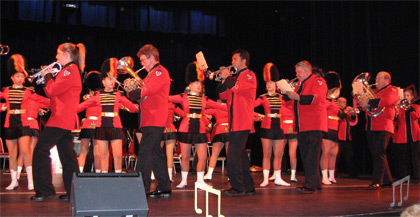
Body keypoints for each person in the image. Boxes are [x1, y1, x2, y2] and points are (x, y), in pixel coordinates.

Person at [31, 43, 86, 202]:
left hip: (60, 118)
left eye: (58, 54)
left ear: (66, 55)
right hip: (64, 118)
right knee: (68, 156)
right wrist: (48, 77)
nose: (56, 57)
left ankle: (45, 190)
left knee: (40, 150)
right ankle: (73, 192)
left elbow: (52, 91)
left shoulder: (69, 71)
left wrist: (47, 75)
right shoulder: (68, 71)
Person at [168, 61, 226, 189]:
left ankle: (200, 180)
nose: (199, 85)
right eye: (196, 82)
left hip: (200, 128)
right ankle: (183, 181)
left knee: (203, 156)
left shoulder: (205, 99)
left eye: (200, 82)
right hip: (185, 127)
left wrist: (236, 107)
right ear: (190, 83)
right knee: (186, 157)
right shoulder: (183, 96)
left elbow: (220, 106)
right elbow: (167, 98)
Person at [127, 44, 172, 198]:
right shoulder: (150, 74)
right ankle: (164, 185)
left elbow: (148, 90)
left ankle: (141, 187)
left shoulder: (159, 72)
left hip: (155, 118)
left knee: (144, 152)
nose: (142, 64)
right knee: (155, 153)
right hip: (150, 119)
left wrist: (135, 92)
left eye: (143, 60)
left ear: (152, 58)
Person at [78, 60, 138, 173]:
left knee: (118, 155)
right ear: (103, 81)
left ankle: (118, 175)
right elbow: (80, 107)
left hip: (115, 126)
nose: (112, 82)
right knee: (103, 155)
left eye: (113, 79)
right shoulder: (97, 95)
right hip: (101, 126)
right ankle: (104, 177)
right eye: (109, 79)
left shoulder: (118, 95)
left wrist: (134, 99)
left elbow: (132, 108)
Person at [1, 54, 49, 191]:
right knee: (11, 154)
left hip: (23, 123)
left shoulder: (27, 92)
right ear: (11, 77)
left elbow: (41, 100)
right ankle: (13, 181)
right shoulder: (6, 91)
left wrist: (55, 103)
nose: (20, 78)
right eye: (17, 76)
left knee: (25, 151)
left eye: (22, 76)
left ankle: (31, 181)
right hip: (10, 123)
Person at [282, 60, 328, 194]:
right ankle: (315, 183)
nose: (297, 75)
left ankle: (310, 185)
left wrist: (296, 96)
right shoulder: (299, 85)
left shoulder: (318, 81)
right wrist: (285, 89)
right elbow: (287, 100)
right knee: (307, 154)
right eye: (296, 72)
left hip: (313, 124)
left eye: (299, 72)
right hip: (302, 125)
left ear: (308, 71)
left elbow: (316, 98)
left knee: (311, 155)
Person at [219, 49, 256, 196]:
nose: (232, 62)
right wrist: (223, 80)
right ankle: (248, 187)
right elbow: (223, 95)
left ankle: (237, 187)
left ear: (243, 61)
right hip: (235, 121)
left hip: (242, 120)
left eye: (235, 59)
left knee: (233, 155)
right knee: (239, 155)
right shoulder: (236, 77)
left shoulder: (249, 75)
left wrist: (227, 77)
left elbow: (237, 88)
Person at [357, 71, 399, 190]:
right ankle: (387, 180)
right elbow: (364, 105)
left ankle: (377, 181)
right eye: (376, 78)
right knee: (377, 154)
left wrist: (368, 102)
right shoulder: (374, 92)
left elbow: (388, 101)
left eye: (379, 79)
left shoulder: (392, 89)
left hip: (384, 126)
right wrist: (361, 101)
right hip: (371, 126)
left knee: (379, 153)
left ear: (387, 80)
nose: (376, 81)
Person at [254, 63, 290, 187]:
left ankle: (278, 177)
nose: (269, 85)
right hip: (267, 127)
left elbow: (292, 105)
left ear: (276, 84)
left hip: (279, 127)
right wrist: (257, 116)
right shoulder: (263, 97)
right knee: (267, 154)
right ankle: (265, 179)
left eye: (271, 83)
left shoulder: (282, 97)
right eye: (267, 83)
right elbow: (250, 106)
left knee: (279, 154)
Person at [77, 71, 102, 173]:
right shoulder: (102, 97)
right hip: (98, 124)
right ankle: (98, 174)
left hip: (87, 124)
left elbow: (78, 109)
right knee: (97, 153)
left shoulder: (87, 97)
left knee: (83, 152)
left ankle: (79, 173)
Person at [393, 87, 419, 182]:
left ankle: (417, 176)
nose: (405, 97)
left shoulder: (416, 107)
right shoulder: (400, 108)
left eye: (407, 95)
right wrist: (396, 114)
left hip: (415, 136)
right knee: (404, 158)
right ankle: (404, 177)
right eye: (404, 96)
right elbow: (395, 122)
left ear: (412, 97)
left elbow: (416, 116)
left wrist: (409, 107)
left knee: (415, 157)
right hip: (402, 136)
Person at [320, 71, 341, 185]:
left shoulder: (334, 102)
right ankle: (324, 177)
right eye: (337, 90)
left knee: (333, 153)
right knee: (326, 153)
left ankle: (331, 176)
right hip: (327, 128)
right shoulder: (326, 101)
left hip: (335, 128)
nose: (339, 92)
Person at [204, 96, 229, 181]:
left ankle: (209, 174)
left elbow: (203, 112)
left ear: (218, 100)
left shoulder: (216, 109)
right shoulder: (231, 107)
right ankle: (231, 175)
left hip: (219, 131)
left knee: (214, 154)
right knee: (230, 155)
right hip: (229, 131)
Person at [160, 101, 184, 182]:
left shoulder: (157, 103)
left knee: (156, 153)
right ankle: (169, 176)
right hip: (171, 128)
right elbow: (182, 114)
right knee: (169, 154)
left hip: (160, 128)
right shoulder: (172, 105)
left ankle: (153, 173)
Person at [336, 97, 359, 179]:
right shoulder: (336, 110)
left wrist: (353, 113)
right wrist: (346, 111)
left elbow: (352, 119)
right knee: (336, 156)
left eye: (344, 102)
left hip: (347, 137)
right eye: (341, 102)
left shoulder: (345, 112)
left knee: (350, 156)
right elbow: (340, 117)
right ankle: (334, 173)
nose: (343, 104)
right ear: (337, 103)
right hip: (338, 137)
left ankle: (352, 173)